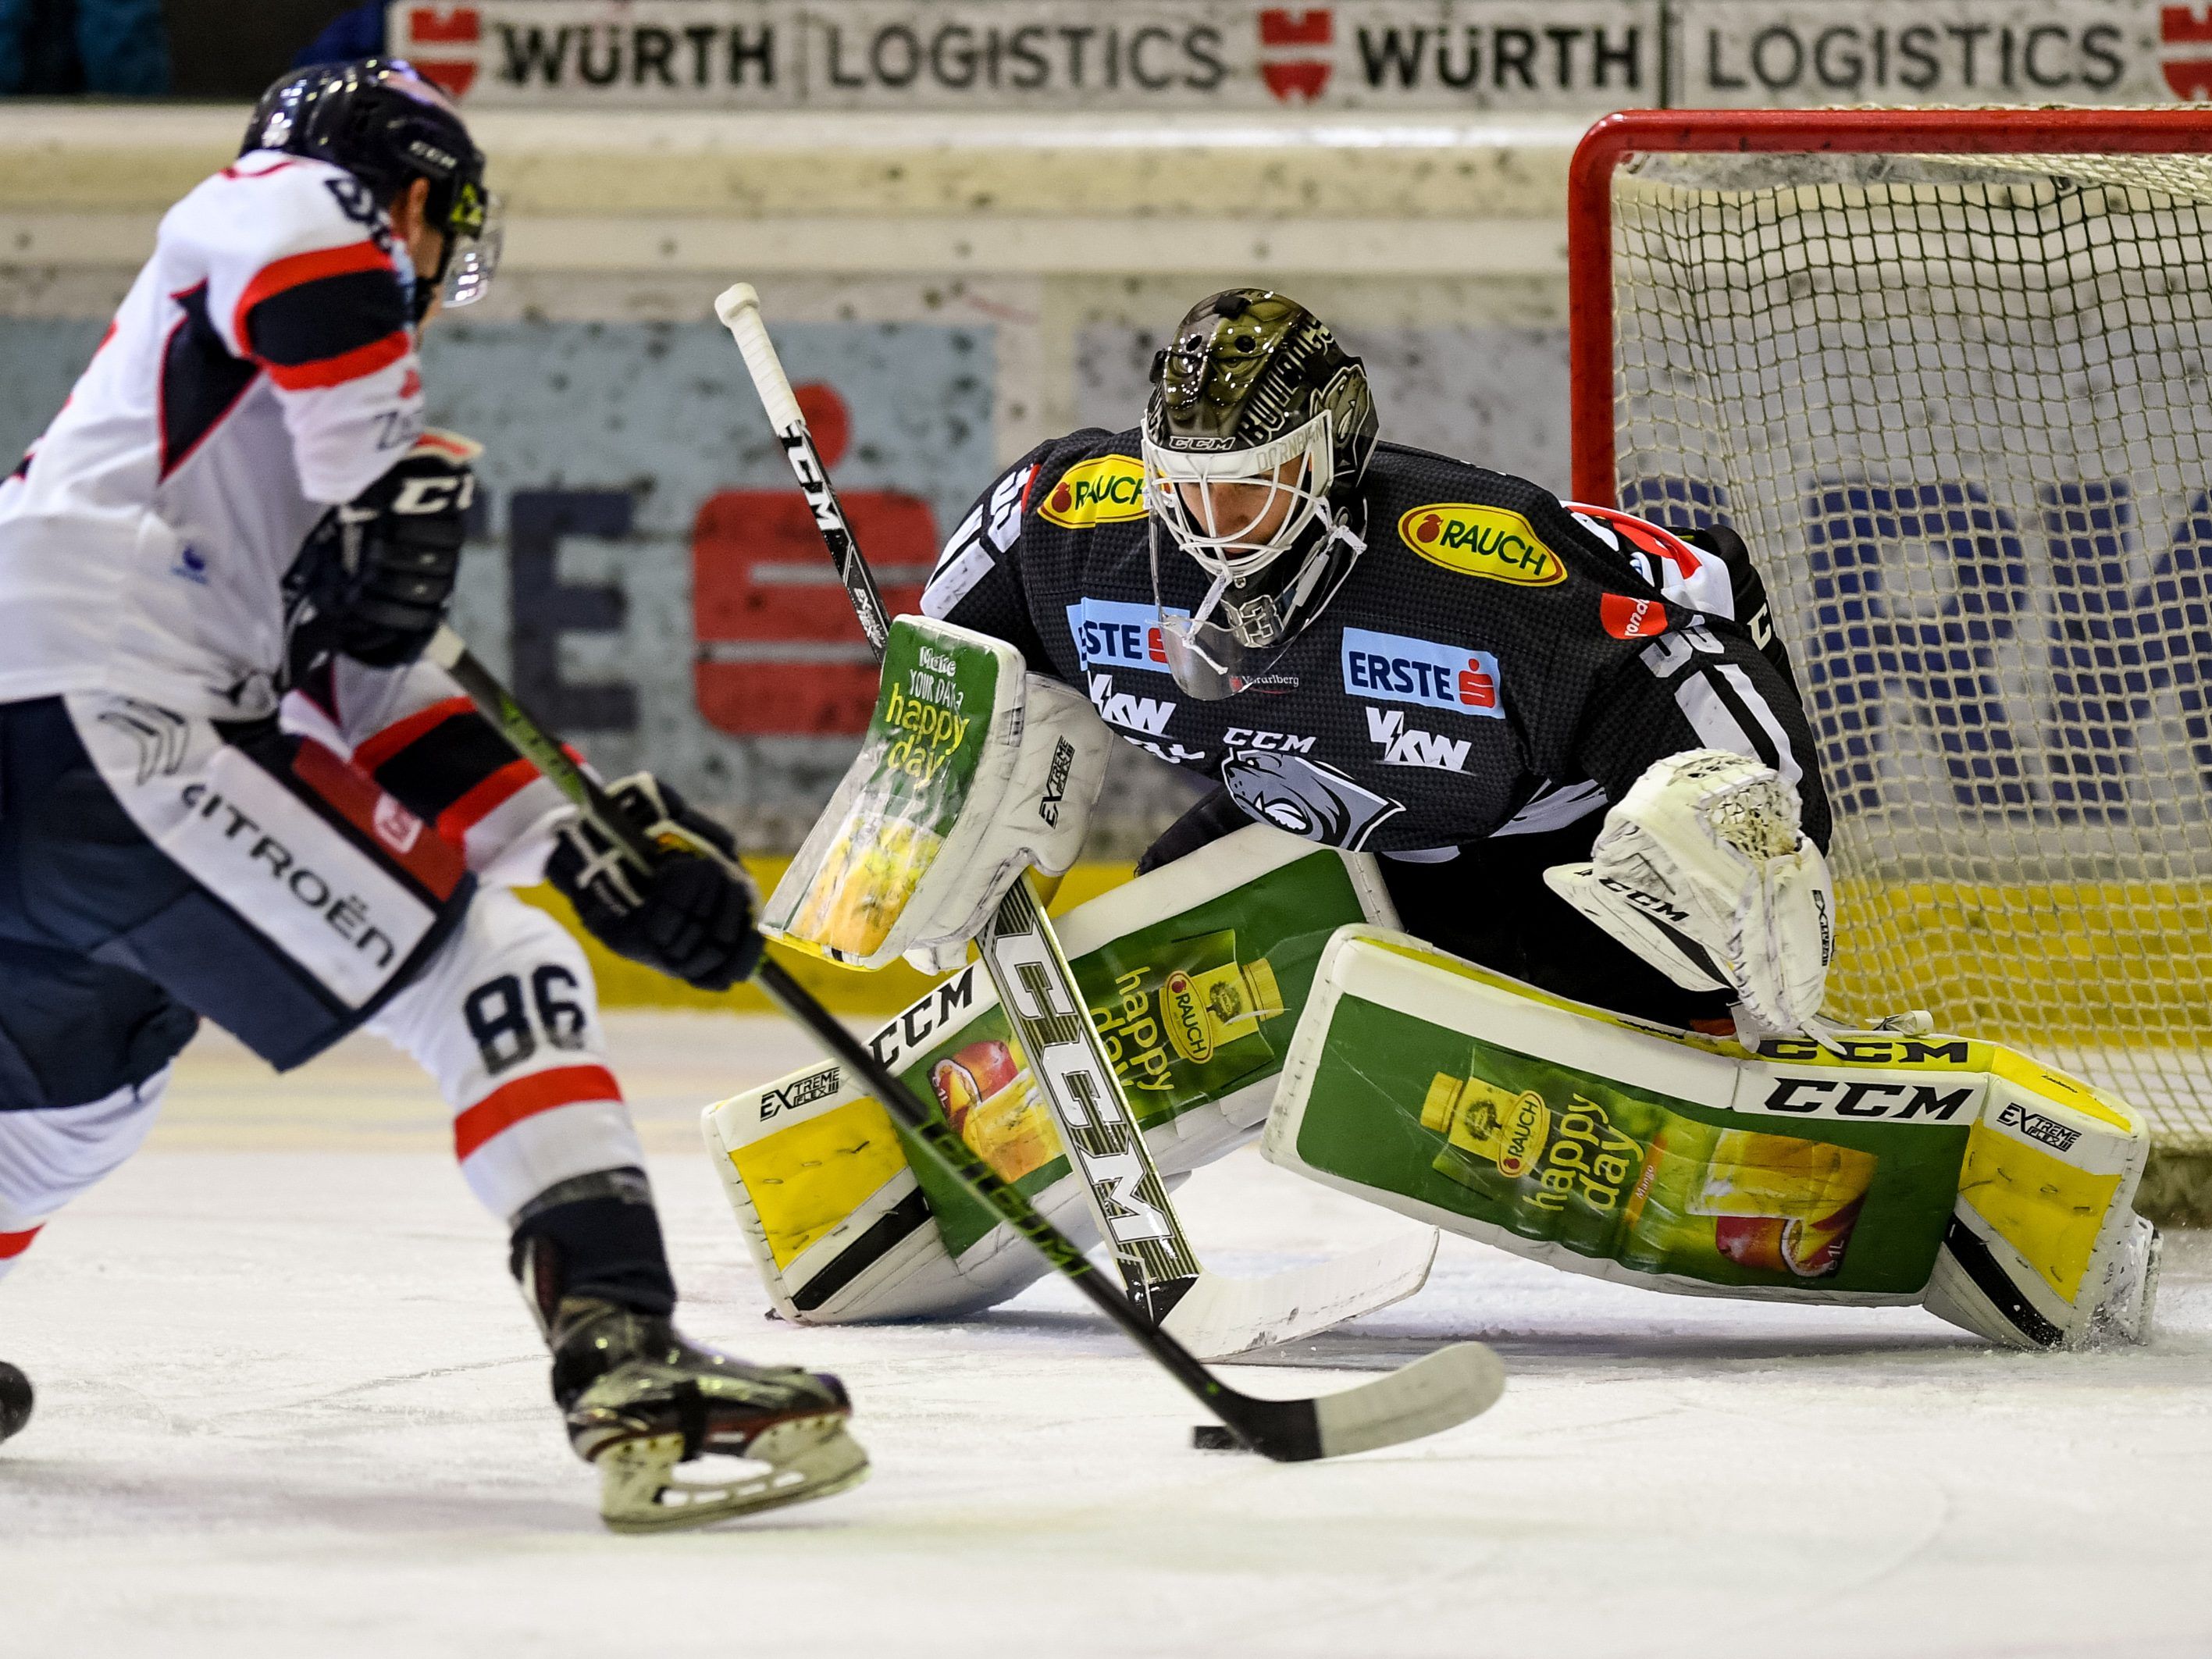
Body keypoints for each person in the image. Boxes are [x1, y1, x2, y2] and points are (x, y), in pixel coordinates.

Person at [0, 59, 865, 1533]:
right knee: (489, 968)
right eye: (434, 222)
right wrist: (367, 467)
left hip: (58, 739)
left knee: (73, 1103)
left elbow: (373, 699)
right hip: (97, 716)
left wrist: (593, 844)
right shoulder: (280, 213)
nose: (427, 259)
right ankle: (629, 1356)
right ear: (410, 195)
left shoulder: (214, 448)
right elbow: (282, 226)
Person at [921, 287, 1833, 1037]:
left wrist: (1750, 826)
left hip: (1549, 843)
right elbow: (942, 651)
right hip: (1339, 830)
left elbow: (1682, 648)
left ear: (1330, 454)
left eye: (1246, 486)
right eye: (1185, 488)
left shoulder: (1476, 578)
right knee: (1150, 974)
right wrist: (928, 798)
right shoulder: (1073, 524)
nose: (1211, 527)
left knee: (1676, 986)